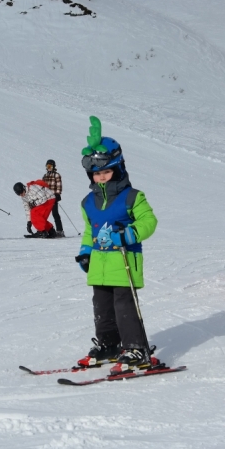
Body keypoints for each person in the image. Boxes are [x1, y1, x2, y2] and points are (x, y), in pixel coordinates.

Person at [75, 117, 158, 368]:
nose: (101, 177)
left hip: (123, 262)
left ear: (118, 168)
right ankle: (109, 344)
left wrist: (128, 234)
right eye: (97, 173)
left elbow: (149, 221)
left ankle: (135, 347)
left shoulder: (132, 197)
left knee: (124, 307)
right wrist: (85, 252)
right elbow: (90, 230)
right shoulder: (88, 202)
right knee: (102, 308)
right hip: (99, 266)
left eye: (106, 171)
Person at [42, 159, 65, 237]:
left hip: (53, 197)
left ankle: (60, 231)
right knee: (44, 215)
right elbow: (43, 187)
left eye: (50, 166)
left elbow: (59, 185)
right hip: (46, 198)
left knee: (55, 213)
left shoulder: (56, 175)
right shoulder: (45, 176)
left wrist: (57, 194)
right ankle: (43, 230)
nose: (49, 168)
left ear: (53, 167)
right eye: (47, 166)